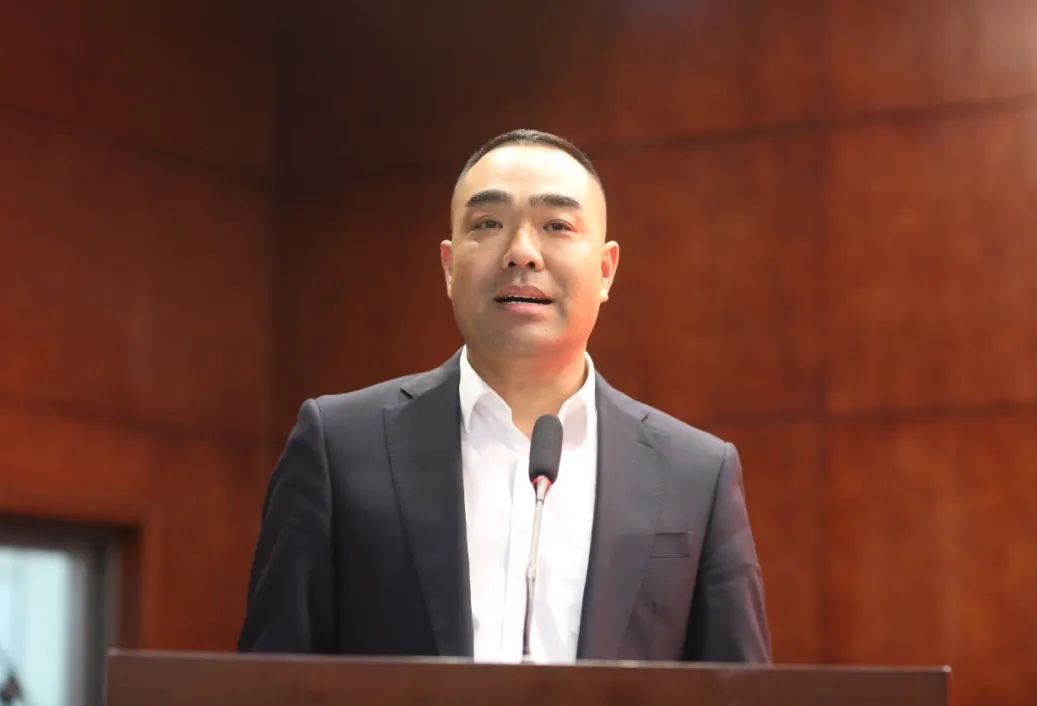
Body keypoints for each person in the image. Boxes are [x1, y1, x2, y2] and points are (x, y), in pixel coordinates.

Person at [238, 129, 771, 663]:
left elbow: (739, 694)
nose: (521, 252)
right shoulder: (339, 448)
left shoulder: (696, 475)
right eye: (488, 224)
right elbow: (269, 685)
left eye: (556, 225)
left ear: (606, 270)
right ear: (449, 266)